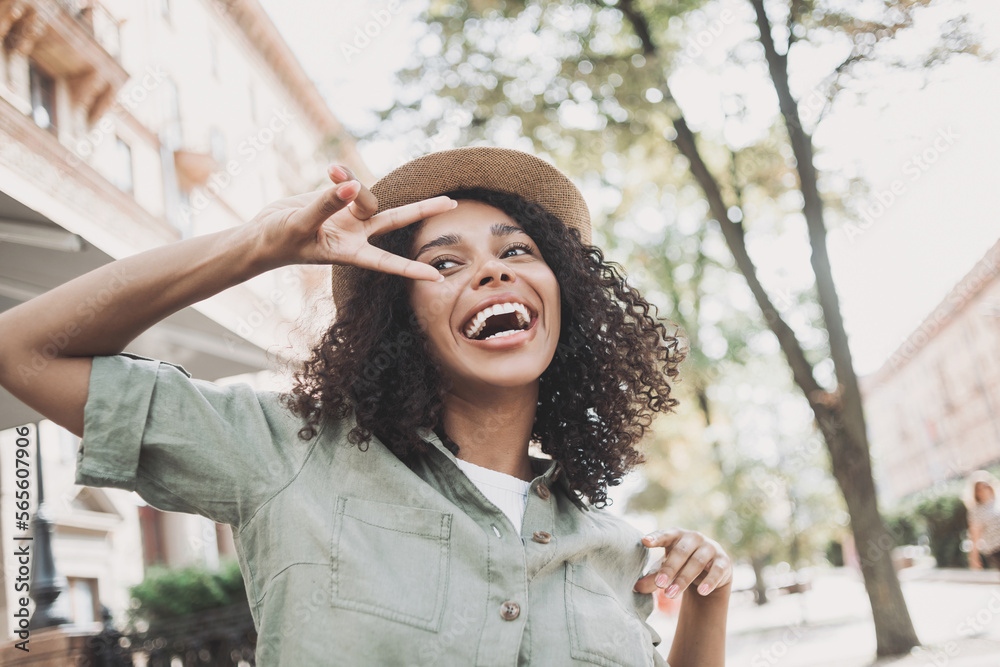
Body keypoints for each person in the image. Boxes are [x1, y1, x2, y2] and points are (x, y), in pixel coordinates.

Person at [0, 147, 732, 666]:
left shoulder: (614, 548)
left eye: (517, 251)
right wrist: (260, 245)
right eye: (445, 263)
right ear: (398, 320)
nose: (490, 270)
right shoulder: (288, 453)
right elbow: (24, 350)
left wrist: (707, 601)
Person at [965, 469, 1000, 571]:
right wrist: (974, 558)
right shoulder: (976, 511)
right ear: (975, 492)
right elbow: (975, 535)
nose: (983, 490)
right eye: (979, 489)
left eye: (985, 486)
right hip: (996, 549)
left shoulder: (997, 502)